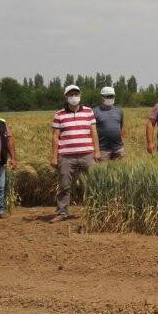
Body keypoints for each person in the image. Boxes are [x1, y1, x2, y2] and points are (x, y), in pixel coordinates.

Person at [51, 85, 100, 222]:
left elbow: (94, 132)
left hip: (87, 154)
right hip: (66, 156)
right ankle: (62, 212)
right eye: (70, 94)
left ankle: (96, 210)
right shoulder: (59, 114)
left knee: (94, 182)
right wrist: (54, 157)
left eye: (76, 94)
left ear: (80, 95)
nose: (74, 97)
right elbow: (55, 136)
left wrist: (97, 151)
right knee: (64, 184)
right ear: (66, 97)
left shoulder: (89, 112)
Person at [94, 86, 125, 161]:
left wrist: (122, 144)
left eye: (112, 96)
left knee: (120, 172)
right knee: (103, 172)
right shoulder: (94, 111)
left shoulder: (119, 111)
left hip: (118, 149)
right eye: (108, 96)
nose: (110, 98)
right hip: (102, 150)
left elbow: (121, 128)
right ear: (102, 97)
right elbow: (92, 131)